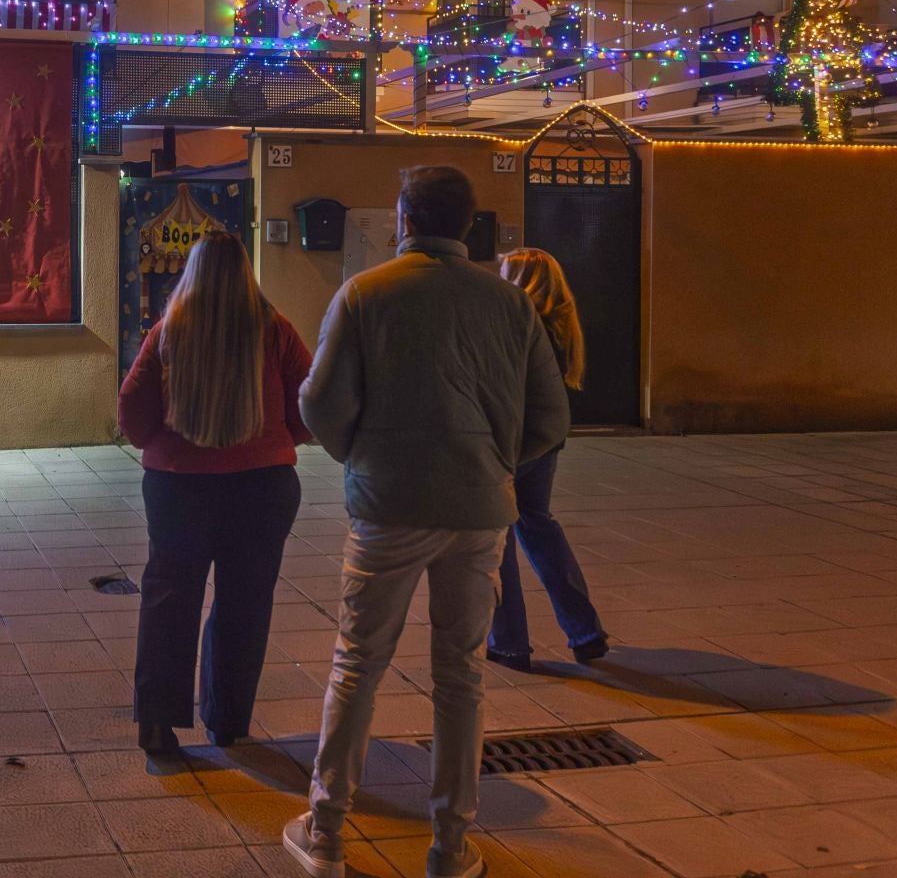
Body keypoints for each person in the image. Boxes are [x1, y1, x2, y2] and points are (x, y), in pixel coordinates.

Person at [283, 166, 569, 878]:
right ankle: (448, 844)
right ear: (469, 226)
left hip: (388, 506)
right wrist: (498, 462)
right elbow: (553, 418)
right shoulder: (510, 305)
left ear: (403, 220)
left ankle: (325, 834)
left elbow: (318, 402)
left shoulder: (365, 294)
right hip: (479, 513)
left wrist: (359, 455)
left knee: (357, 665)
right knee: (460, 676)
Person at [118, 231, 311, 756]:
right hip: (263, 487)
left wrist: (163, 447)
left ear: (192, 272)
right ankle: (227, 723)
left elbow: (132, 409)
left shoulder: (168, 331)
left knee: (168, 596)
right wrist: (277, 441)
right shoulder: (274, 330)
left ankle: (157, 726)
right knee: (245, 603)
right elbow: (309, 399)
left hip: (179, 486)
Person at [486, 249, 608, 671]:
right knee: (538, 525)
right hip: (544, 442)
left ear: (521, 277)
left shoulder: (520, 322)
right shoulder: (560, 321)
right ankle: (585, 631)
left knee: (497, 537)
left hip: (512, 442)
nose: (499, 278)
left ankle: (509, 642)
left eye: (505, 272)